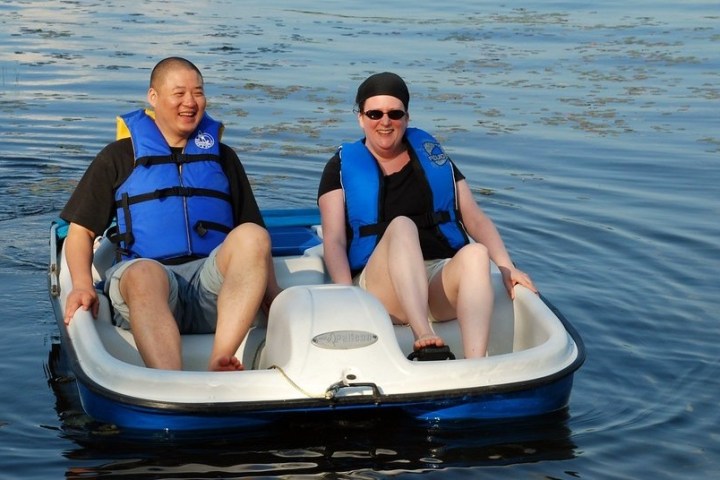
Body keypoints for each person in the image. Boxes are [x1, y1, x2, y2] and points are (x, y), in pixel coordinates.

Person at [61, 57, 279, 371]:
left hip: (213, 290)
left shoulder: (224, 158)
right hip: (147, 289)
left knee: (254, 235)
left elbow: (255, 241)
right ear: (154, 98)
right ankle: (168, 380)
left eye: (198, 93)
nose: (190, 102)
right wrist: (81, 285)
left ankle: (221, 357)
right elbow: (80, 232)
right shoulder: (118, 157)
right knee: (144, 274)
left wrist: (273, 297)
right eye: (179, 94)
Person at [317, 72, 537, 359]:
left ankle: (475, 362)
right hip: (381, 288)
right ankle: (423, 335)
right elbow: (333, 239)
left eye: (395, 114)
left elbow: (474, 218)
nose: (385, 122)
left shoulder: (432, 157)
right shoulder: (340, 168)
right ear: (360, 118)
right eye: (374, 113)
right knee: (402, 226)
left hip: (434, 278)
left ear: (406, 118)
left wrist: (507, 267)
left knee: (477, 254)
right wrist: (345, 293)